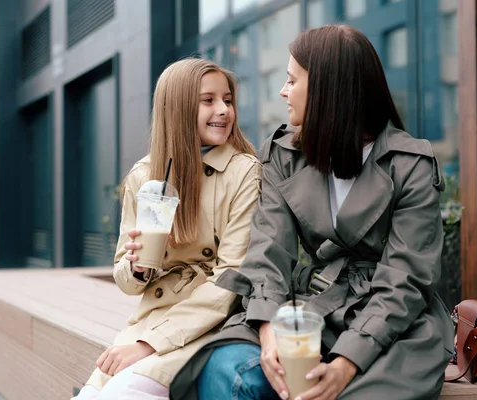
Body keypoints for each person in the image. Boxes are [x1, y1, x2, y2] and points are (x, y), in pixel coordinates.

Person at [169, 24, 454, 400]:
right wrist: (268, 331)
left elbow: (406, 280)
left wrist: (344, 365)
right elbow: (268, 250)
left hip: (394, 324)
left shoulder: (410, 164)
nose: (283, 91)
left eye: (291, 80)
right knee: (231, 372)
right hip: (306, 307)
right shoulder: (285, 154)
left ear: (326, 89)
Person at [73, 57, 261, 399]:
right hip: (154, 315)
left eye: (228, 100)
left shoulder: (244, 171)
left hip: (212, 319)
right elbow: (125, 279)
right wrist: (139, 266)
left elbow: (233, 274)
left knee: (122, 393)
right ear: (176, 108)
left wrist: (150, 344)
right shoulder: (145, 177)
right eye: (208, 100)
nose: (223, 110)